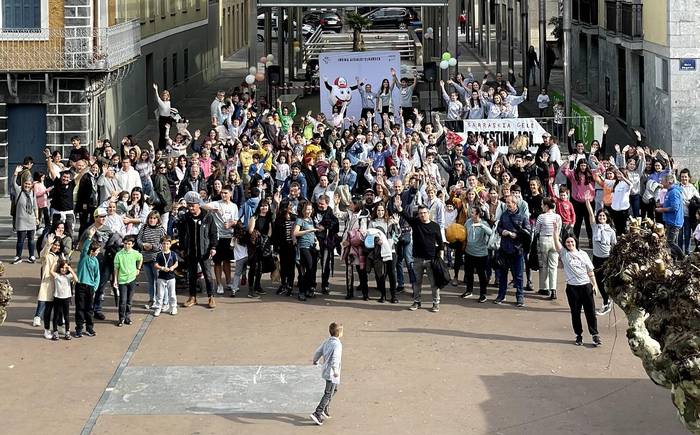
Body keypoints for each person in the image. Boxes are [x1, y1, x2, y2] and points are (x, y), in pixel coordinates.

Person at [555, 232, 602, 347]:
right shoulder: (564, 254)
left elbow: (590, 271)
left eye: (572, 241)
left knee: (590, 312)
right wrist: (555, 232)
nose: (570, 244)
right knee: (575, 313)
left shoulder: (583, 254)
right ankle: (578, 335)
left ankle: (594, 335)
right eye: (567, 242)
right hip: (572, 288)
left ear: (575, 242)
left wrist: (594, 284)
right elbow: (556, 244)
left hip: (586, 286)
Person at [399, 203, 445, 313]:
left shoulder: (435, 226)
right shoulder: (416, 223)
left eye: (424, 213)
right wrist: (399, 208)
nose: (422, 215)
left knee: (434, 283)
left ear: (428, 213)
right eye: (420, 213)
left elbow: (440, 242)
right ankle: (416, 302)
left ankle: (436, 303)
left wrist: (441, 258)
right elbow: (405, 216)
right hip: (417, 259)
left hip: (431, 259)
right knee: (416, 282)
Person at [177, 191, 219, 308]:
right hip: (190, 251)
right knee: (191, 275)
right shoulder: (185, 218)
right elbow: (181, 234)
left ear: (198, 205)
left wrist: (213, 247)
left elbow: (213, 233)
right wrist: (182, 248)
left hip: (204, 251)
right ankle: (192, 297)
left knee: (208, 275)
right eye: (189, 205)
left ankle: (211, 297)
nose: (190, 208)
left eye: (193, 205)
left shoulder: (208, 216)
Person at [495, 196, 531, 307]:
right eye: (506, 203)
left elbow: (528, 232)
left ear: (515, 204)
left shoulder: (523, 217)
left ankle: (520, 297)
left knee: (518, 275)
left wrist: (517, 234)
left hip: (517, 250)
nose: (507, 205)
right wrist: (502, 231)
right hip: (505, 249)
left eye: (509, 203)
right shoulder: (504, 215)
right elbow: (498, 228)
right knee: (503, 274)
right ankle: (501, 295)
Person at [310, 322, 344, 426]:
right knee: (328, 393)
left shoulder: (327, 341)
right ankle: (317, 413)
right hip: (332, 373)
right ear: (339, 333)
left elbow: (318, 352)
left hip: (326, 370)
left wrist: (315, 360)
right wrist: (335, 371)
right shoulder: (338, 344)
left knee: (335, 389)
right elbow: (335, 359)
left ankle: (324, 408)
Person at [74, 228, 101, 338]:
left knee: (89, 309)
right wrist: (89, 237)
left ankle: (89, 328)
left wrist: (94, 288)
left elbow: (97, 276)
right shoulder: (84, 257)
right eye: (97, 250)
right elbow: (85, 248)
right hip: (80, 285)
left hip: (90, 287)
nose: (98, 252)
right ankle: (79, 329)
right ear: (92, 250)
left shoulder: (96, 261)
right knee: (80, 308)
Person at [462, 207, 493, 302]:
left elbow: (491, 233)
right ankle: (469, 290)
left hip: (481, 254)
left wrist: (481, 226)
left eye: (472, 212)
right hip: (469, 252)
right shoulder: (468, 222)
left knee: (481, 275)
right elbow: (464, 233)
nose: (470, 214)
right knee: (469, 273)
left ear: (478, 214)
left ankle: (483, 294)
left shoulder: (484, 223)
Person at [137, 211, 166, 309]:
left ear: (157, 219)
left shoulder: (161, 229)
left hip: (156, 258)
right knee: (150, 281)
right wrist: (143, 245)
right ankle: (152, 300)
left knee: (160, 281)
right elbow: (138, 240)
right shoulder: (144, 227)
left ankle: (164, 301)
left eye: (154, 218)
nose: (152, 220)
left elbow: (164, 244)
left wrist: (152, 246)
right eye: (150, 218)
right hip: (145, 258)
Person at [534, 197, 562, 299]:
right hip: (555, 241)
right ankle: (553, 289)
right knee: (553, 267)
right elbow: (559, 229)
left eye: (542, 204)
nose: (541, 206)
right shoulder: (557, 217)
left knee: (544, 265)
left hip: (544, 240)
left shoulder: (541, 217)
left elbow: (537, 230)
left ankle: (544, 288)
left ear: (546, 206)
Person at [113, 235, 143, 327]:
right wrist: (115, 280)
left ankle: (127, 317)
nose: (126, 246)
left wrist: (138, 268)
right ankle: (121, 318)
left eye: (129, 244)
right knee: (122, 300)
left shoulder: (135, 253)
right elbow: (116, 268)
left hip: (132, 279)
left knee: (129, 301)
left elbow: (140, 258)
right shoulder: (119, 254)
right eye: (125, 244)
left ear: (132, 244)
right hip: (122, 280)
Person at [293, 201, 319, 302]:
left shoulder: (310, 219)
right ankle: (301, 292)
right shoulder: (300, 220)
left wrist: (316, 241)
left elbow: (313, 234)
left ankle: (308, 289)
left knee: (311, 270)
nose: (309, 211)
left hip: (312, 247)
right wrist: (309, 231)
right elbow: (296, 233)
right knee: (305, 269)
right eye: (307, 209)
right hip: (303, 247)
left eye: (310, 209)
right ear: (303, 210)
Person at [11, 177, 39, 264]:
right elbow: (13, 183)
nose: (27, 185)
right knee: (20, 240)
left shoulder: (33, 193)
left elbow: (35, 207)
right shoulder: (19, 191)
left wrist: (37, 218)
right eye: (26, 183)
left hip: (31, 219)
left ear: (32, 185)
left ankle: (31, 256)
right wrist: (15, 173)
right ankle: (18, 257)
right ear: (23, 184)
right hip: (21, 220)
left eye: (29, 184)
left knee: (31, 239)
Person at [656, 173, 684, 252]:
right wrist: (661, 205)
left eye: (663, 181)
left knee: (670, 242)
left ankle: (683, 257)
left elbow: (675, 207)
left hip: (674, 221)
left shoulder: (674, 192)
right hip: (670, 220)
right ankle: (674, 260)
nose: (661, 183)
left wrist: (661, 210)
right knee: (673, 242)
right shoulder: (669, 191)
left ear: (669, 182)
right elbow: (670, 203)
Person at [50, 259, 77, 341]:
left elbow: (76, 279)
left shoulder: (69, 276)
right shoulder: (57, 275)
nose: (64, 269)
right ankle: (55, 332)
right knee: (56, 315)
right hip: (57, 297)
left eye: (65, 268)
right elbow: (51, 271)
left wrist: (71, 269)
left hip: (66, 298)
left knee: (66, 316)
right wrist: (54, 263)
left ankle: (67, 332)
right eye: (62, 267)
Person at [153, 235, 179, 316]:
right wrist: (162, 268)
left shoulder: (173, 254)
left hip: (171, 277)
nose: (165, 245)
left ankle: (173, 307)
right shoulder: (159, 254)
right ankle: (158, 308)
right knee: (160, 295)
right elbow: (155, 265)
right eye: (164, 244)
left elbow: (176, 263)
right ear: (161, 244)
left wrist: (173, 267)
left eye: (167, 244)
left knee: (172, 294)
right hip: (161, 277)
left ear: (170, 244)